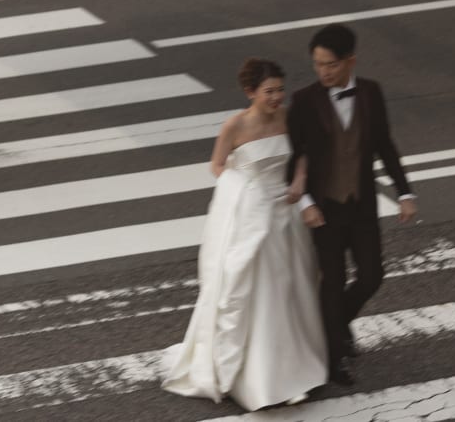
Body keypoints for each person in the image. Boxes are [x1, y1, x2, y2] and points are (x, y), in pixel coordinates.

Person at [163, 58, 328, 411]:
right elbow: (218, 166)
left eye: (280, 90)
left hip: (284, 209)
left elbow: (301, 155)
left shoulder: (288, 118)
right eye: (269, 91)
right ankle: (257, 374)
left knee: (288, 287)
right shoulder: (235, 125)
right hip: (252, 211)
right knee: (256, 286)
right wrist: (242, 190)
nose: (277, 97)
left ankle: (290, 366)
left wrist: (300, 180)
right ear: (250, 92)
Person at [286, 24, 417, 386]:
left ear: (350, 61)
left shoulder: (372, 93)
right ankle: (331, 360)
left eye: (330, 64)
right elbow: (294, 158)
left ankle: (334, 324)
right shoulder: (304, 100)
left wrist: (405, 193)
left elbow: (385, 146)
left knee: (372, 275)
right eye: (317, 64)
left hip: (360, 205)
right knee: (333, 282)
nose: (323, 71)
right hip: (323, 208)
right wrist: (306, 203)